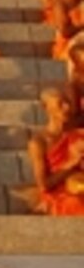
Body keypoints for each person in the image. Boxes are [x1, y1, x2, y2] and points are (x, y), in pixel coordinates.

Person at [29, 88, 84, 216]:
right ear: (46, 108)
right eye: (60, 104)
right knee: (75, 203)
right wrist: (71, 164)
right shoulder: (39, 142)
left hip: (79, 185)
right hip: (58, 193)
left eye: (68, 102)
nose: (66, 108)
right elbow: (44, 185)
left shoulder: (78, 132)